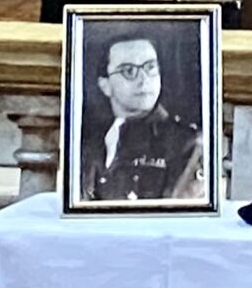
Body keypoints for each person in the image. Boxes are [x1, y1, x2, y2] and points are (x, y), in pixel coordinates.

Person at [84, 36, 203, 202]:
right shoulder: (90, 140)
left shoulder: (186, 142)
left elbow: (176, 210)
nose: (144, 79)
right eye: (129, 71)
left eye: (150, 67)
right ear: (105, 85)